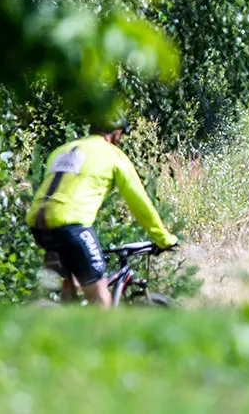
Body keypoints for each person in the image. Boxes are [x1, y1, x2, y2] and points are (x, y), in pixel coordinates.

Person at [27, 115, 180, 308]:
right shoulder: (113, 156)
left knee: (72, 285)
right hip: (71, 225)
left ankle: (64, 321)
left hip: (38, 225)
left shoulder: (61, 151)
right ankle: (100, 336)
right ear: (116, 134)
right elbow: (140, 204)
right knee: (101, 298)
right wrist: (164, 239)